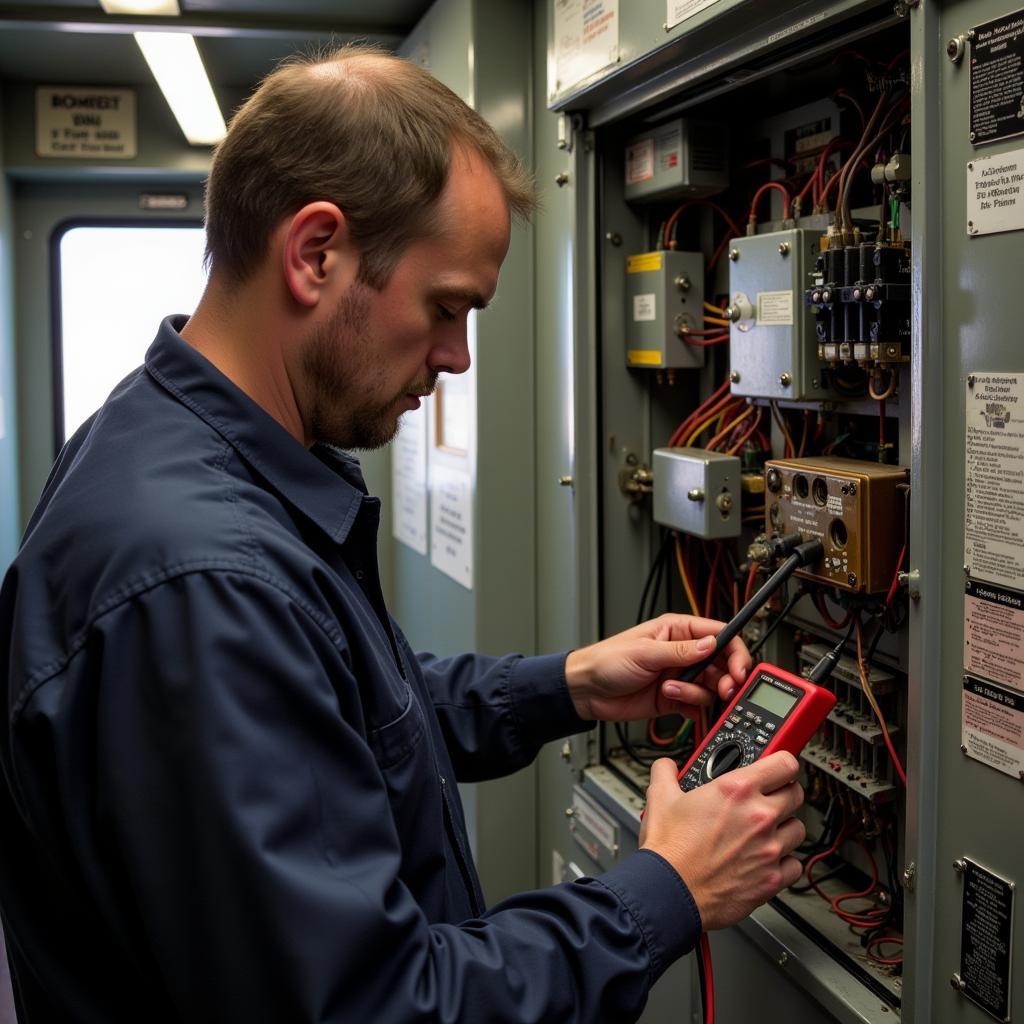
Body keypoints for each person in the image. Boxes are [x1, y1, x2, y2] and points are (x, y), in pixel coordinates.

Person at [0, 46, 805, 1023]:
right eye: (446, 307)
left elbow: (328, 711)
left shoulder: (171, 446)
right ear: (315, 253)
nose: (456, 358)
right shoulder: (199, 578)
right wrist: (664, 890)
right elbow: (374, 1006)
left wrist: (567, 686)